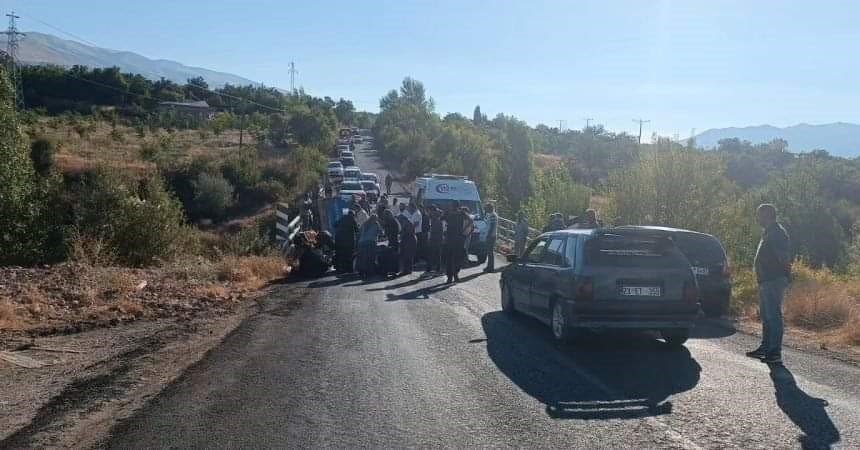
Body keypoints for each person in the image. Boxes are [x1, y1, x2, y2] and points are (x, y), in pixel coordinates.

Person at [746, 203, 792, 364]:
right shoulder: (769, 232)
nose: (757, 217)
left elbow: (784, 258)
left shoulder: (777, 233)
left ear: (767, 215)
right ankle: (765, 348)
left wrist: (785, 277)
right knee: (766, 316)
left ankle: (774, 352)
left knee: (774, 316)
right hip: (766, 280)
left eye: (759, 214)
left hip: (774, 280)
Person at [443, 201, 469, 283]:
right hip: (458, 239)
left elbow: (441, 219)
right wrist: (464, 230)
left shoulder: (449, 213)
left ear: (452, 206)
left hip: (451, 239)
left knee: (450, 259)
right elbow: (470, 220)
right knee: (457, 258)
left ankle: (450, 277)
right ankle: (455, 275)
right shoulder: (462, 213)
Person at [357, 214, 381, 278]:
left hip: (362, 242)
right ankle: (370, 272)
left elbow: (359, 233)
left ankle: (362, 272)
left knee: (363, 258)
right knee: (371, 258)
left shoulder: (364, 224)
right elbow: (379, 233)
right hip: (371, 242)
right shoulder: (376, 224)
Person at [381, 209, 401, 276]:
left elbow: (390, 232)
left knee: (392, 256)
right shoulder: (393, 220)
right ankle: (394, 270)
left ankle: (393, 271)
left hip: (393, 240)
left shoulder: (391, 221)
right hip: (394, 240)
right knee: (393, 256)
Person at [425, 207, 444, 274]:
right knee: (437, 254)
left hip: (435, 238)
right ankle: (437, 268)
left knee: (432, 254)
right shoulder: (437, 220)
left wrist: (429, 237)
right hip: (437, 239)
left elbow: (433, 230)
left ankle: (430, 268)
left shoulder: (435, 220)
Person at [399, 211, 417, 275]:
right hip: (409, 241)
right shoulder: (407, 223)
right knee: (407, 256)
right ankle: (407, 270)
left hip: (409, 241)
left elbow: (408, 233)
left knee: (408, 256)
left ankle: (407, 270)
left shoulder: (407, 224)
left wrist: (402, 235)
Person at [483, 203, 498, 273]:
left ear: (490, 208)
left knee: (490, 252)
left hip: (491, 236)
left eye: (487, 208)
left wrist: (488, 236)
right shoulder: (491, 215)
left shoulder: (493, 216)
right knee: (489, 252)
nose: (486, 209)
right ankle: (489, 266)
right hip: (491, 236)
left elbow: (491, 227)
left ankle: (491, 267)